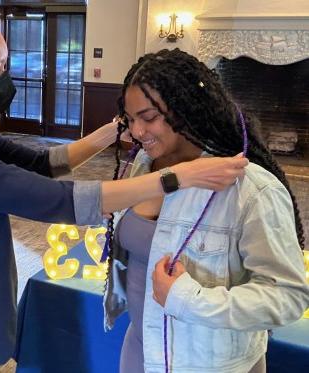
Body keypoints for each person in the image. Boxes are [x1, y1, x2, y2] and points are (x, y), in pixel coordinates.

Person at [0, 4, 248, 372]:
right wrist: (178, 177)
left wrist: (108, 133)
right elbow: (54, 199)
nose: (5, 76)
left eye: (5, 64)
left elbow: (42, 162)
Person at [103, 48, 309, 373]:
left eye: (149, 117)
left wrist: (189, 298)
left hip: (206, 363)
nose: (137, 132)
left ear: (184, 109)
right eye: (129, 120)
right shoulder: (140, 167)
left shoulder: (250, 188)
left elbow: (288, 296)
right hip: (141, 348)